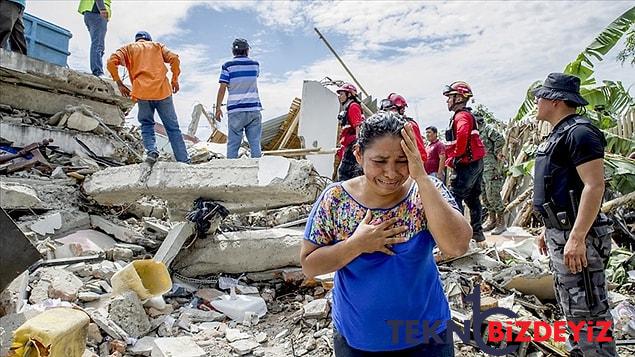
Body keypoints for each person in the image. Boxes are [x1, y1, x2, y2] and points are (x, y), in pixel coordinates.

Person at [301, 111, 471, 356]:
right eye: (379, 161)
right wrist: (356, 245)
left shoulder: (425, 193)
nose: (391, 173)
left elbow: (456, 247)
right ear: (359, 155)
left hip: (427, 339)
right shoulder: (335, 200)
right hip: (358, 342)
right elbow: (310, 266)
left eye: (402, 160)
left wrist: (422, 177)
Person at [533, 73, 616, 357]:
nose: (537, 101)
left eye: (541, 96)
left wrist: (578, 236)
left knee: (590, 311)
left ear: (555, 101)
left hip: (578, 236)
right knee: (574, 309)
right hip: (561, 234)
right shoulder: (558, 135)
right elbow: (561, 186)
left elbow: (594, 185)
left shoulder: (580, 132)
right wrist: (549, 228)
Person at [106, 31, 189, 163]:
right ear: (149, 39)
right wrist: (175, 79)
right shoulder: (157, 46)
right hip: (162, 91)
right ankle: (183, 160)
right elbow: (174, 58)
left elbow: (111, 61)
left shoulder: (128, 48)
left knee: (146, 124)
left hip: (142, 91)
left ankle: (152, 152)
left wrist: (119, 82)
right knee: (172, 128)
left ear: (137, 40)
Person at [443, 81, 487, 246]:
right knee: (473, 198)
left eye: (450, 97)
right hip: (475, 162)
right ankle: (478, 234)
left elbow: (462, 135)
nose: (447, 101)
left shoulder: (461, 116)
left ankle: (458, 235)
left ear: (459, 98)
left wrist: (455, 156)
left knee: (455, 197)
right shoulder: (467, 115)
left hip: (466, 163)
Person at [214, 38, 262, 159]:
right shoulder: (255, 65)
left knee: (233, 144)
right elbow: (255, 76)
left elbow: (222, 88)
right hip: (253, 109)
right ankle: (257, 171)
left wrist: (218, 108)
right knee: (255, 143)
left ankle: (231, 170)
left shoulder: (227, 66)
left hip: (235, 111)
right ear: (247, 50)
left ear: (233, 51)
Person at [478, 115, 507, 235]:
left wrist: (496, 152)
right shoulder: (476, 132)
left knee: (492, 194)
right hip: (481, 166)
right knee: (484, 195)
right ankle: (492, 220)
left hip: (490, 165)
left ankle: (501, 223)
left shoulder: (487, 129)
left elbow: (500, 139)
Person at [379, 93, 428, 162]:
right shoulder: (385, 128)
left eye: (393, 109)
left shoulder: (409, 125)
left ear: (401, 110)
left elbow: (422, 155)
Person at [335, 83, 364, 181]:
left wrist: (358, 143)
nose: (339, 96)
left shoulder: (353, 107)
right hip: (349, 146)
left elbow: (358, 126)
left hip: (353, 145)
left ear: (349, 94)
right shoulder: (348, 107)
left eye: (342, 94)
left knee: (344, 174)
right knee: (350, 175)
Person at [78, 0, 110, 76]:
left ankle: (97, 70)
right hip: (96, 13)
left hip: (91, 14)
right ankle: (98, 72)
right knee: (98, 44)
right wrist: (102, 9)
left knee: (98, 44)